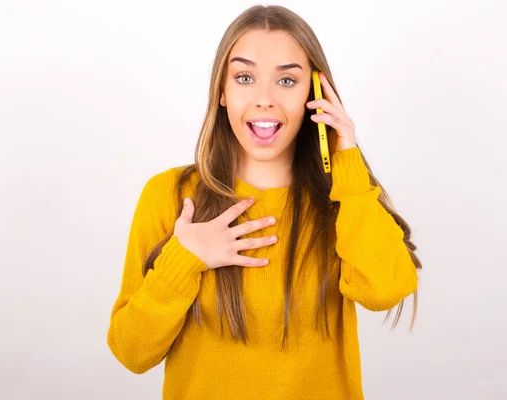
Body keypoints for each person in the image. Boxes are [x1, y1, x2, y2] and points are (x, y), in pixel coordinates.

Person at [107, 4, 422, 399]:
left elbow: (386, 290)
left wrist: (347, 159)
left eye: (287, 81)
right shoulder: (169, 195)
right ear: (222, 92)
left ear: (315, 93)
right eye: (244, 77)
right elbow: (131, 351)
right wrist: (183, 258)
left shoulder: (341, 200)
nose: (264, 100)